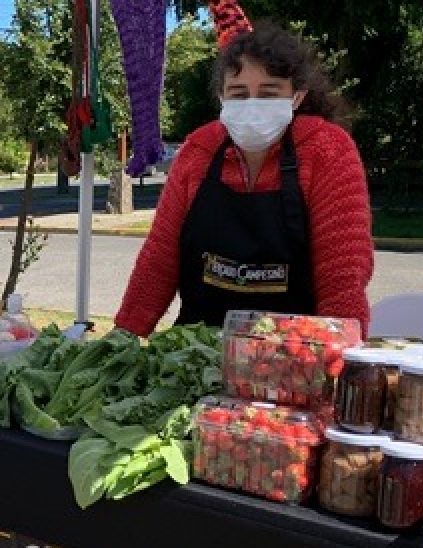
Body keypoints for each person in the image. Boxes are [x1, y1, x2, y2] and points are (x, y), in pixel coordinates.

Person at [113, 22, 374, 336]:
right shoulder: (198, 151)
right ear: (222, 98)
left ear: (297, 96)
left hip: (294, 352)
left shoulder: (327, 150)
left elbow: (343, 274)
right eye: (238, 94)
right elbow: (159, 260)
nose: (252, 104)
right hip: (199, 350)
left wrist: (337, 352)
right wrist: (122, 339)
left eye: (268, 93)